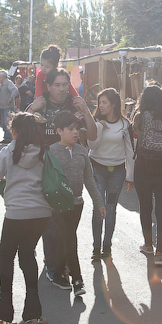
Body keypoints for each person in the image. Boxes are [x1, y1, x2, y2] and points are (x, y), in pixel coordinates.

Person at [0, 112, 52, 324]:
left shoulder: (9, 151)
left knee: (4, 258)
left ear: (15, 131)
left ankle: (5, 307)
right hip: (41, 213)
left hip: (17, 214)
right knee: (27, 254)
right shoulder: (43, 152)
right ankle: (33, 311)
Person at [27, 69, 98, 280]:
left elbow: (93, 136)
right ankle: (52, 264)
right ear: (48, 86)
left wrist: (86, 110)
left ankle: (60, 263)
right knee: (50, 222)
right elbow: (17, 131)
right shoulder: (40, 105)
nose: (61, 89)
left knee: (66, 225)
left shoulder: (73, 107)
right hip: (43, 171)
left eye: (65, 85)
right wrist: (31, 109)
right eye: (57, 85)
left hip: (70, 174)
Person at [48, 112, 105, 296]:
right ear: (59, 131)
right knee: (70, 238)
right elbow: (45, 181)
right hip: (58, 204)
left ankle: (57, 273)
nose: (75, 132)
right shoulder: (51, 152)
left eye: (77, 128)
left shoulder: (82, 151)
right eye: (70, 129)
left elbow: (89, 180)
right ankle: (77, 279)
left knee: (67, 238)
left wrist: (99, 202)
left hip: (77, 204)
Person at [132, 85, 162, 266]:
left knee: (145, 208)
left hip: (143, 169)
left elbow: (133, 139)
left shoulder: (140, 117)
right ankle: (160, 254)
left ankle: (148, 245)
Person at [87, 88, 134, 260]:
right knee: (98, 207)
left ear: (113, 104)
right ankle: (96, 247)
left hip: (118, 171)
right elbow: (91, 146)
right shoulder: (97, 122)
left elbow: (130, 151)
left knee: (111, 208)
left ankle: (107, 245)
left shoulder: (125, 125)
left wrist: (130, 176)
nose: (101, 106)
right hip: (97, 168)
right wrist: (99, 127)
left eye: (104, 102)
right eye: (99, 102)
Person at [0, 70, 18, 143]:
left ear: (3, 76)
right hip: (2, 107)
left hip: (7, 107)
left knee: (6, 123)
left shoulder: (8, 83)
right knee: (2, 123)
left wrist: (10, 98)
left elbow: (15, 90)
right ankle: (7, 137)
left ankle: (9, 138)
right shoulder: (1, 84)